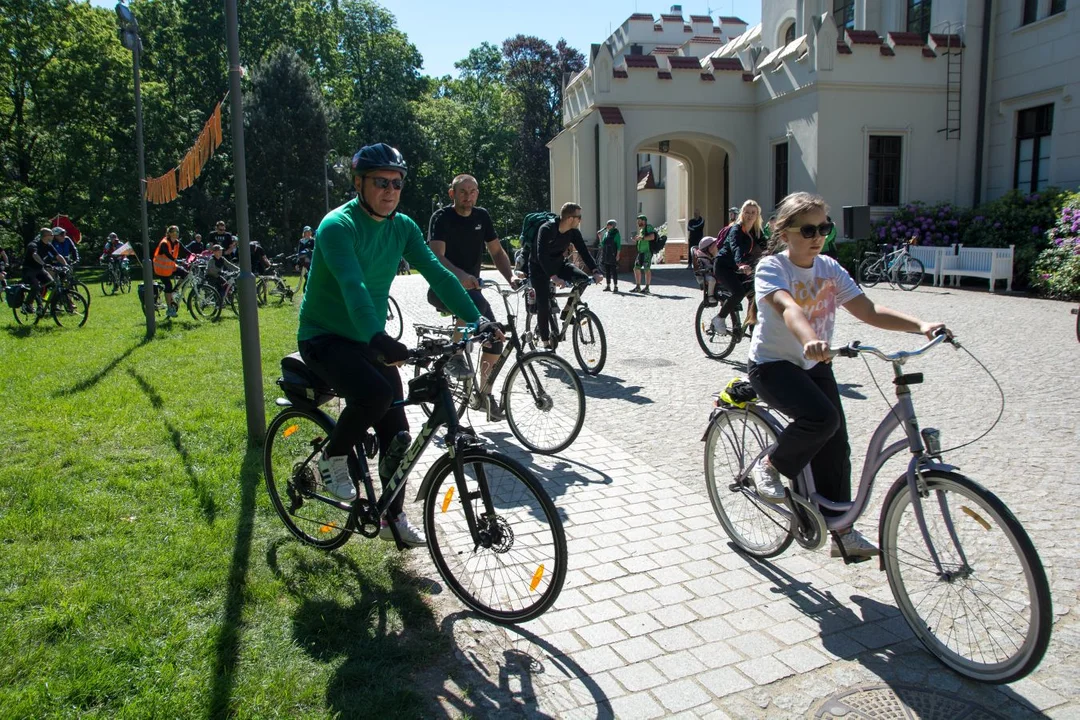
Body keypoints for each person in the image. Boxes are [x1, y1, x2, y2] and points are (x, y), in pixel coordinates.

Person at [297, 142, 486, 547]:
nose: (390, 190)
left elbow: (438, 274)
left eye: (396, 183)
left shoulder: (403, 227)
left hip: (366, 338)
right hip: (324, 336)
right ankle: (334, 455)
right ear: (359, 183)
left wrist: (478, 320)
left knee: (398, 435)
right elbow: (354, 286)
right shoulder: (337, 226)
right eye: (380, 182)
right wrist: (380, 338)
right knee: (375, 393)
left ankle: (393, 517)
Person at [747, 191, 948, 559]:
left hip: (816, 364)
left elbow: (869, 310)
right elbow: (787, 307)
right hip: (774, 364)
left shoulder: (829, 268)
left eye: (824, 227)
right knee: (820, 419)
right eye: (808, 230)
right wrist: (810, 340)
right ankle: (771, 465)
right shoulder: (773, 267)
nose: (818, 236)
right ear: (786, 232)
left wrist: (922, 325)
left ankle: (840, 531)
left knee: (837, 443)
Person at [426, 174, 516, 419]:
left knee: (495, 338)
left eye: (473, 191)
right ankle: (454, 355)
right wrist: (460, 275)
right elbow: (436, 257)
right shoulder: (442, 217)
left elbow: (496, 251)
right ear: (452, 193)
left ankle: (484, 395)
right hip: (442, 288)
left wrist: (512, 278)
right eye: (463, 191)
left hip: (471, 289)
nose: (468, 196)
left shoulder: (482, 216)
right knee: (474, 306)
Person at [531, 202, 602, 347]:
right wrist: (553, 277)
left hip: (558, 265)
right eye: (579, 217)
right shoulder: (547, 229)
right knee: (543, 302)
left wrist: (595, 271)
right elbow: (541, 255)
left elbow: (584, 251)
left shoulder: (573, 232)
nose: (580, 220)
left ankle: (567, 310)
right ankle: (545, 341)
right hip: (539, 268)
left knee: (583, 280)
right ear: (570, 218)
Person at [710, 201, 763, 326]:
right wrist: (740, 263)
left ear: (757, 215)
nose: (750, 215)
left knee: (755, 291)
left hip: (739, 268)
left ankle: (751, 324)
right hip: (724, 266)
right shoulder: (736, 229)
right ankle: (719, 318)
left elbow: (766, 247)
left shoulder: (756, 231)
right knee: (738, 292)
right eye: (747, 212)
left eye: (753, 213)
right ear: (742, 213)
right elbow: (736, 247)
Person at [22, 227, 66, 309]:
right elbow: (35, 255)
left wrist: (66, 265)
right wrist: (44, 264)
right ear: (46, 236)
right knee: (36, 286)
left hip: (40, 269)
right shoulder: (33, 244)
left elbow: (57, 256)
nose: (53, 236)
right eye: (51, 235)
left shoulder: (48, 245)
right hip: (29, 270)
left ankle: (49, 302)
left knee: (52, 285)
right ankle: (28, 304)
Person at [152, 225, 191, 317]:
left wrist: (194, 255)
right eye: (173, 232)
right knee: (168, 285)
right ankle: (169, 309)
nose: (175, 234)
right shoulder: (164, 243)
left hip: (170, 267)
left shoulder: (177, 243)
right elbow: (167, 253)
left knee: (186, 274)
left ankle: (174, 292)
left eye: (177, 232)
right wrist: (175, 259)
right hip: (161, 269)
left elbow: (186, 251)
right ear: (169, 233)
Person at [631, 214, 656, 294]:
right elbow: (642, 239)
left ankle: (647, 288)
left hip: (647, 252)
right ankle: (638, 286)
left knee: (646, 269)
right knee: (636, 268)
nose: (638, 222)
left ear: (644, 221)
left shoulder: (648, 227)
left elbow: (652, 237)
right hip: (641, 252)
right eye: (637, 221)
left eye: (639, 221)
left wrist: (641, 238)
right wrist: (636, 239)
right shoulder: (641, 230)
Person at [596, 219, 621, 292]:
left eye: (609, 224)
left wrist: (618, 255)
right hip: (606, 254)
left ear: (613, 226)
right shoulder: (606, 233)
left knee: (614, 271)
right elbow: (602, 244)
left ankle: (616, 286)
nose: (607, 226)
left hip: (613, 254)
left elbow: (619, 245)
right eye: (607, 224)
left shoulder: (616, 234)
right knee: (607, 271)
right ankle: (608, 286)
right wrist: (600, 237)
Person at [296, 225, 315, 291]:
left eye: (308, 232)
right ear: (304, 233)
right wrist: (297, 263)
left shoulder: (313, 240)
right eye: (306, 232)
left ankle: (307, 291)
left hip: (309, 261)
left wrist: (309, 250)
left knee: (309, 277)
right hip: (302, 261)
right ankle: (307, 291)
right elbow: (298, 252)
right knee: (306, 277)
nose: (307, 233)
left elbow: (315, 251)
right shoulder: (301, 241)